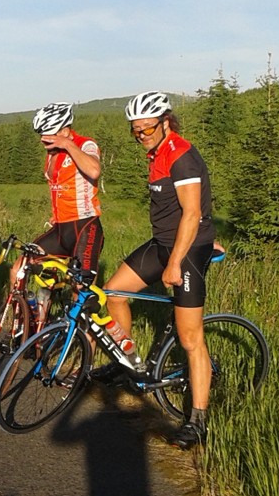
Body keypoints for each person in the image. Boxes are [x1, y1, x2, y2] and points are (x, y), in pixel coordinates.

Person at [101, 91, 217, 450]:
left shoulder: (181, 157)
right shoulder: (157, 152)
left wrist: (175, 262)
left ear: (166, 122)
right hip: (163, 242)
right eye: (136, 130)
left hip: (187, 249)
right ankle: (127, 362)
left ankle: (197, 421)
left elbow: (192, 214)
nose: (141, 136)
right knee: (114, 293)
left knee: (190, 338)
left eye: (147, 129)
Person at [9, 102, 104, 287]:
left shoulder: (85, 144)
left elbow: (94, 171)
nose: (43, 143)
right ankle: (23, 307)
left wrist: (68, 144)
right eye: (41, 137)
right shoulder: (53, 152)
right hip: (61, 228)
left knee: (80, 287)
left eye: (48, 137)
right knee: (18, 269)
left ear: (64, 131)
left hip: (85, 226)